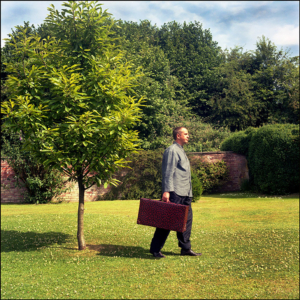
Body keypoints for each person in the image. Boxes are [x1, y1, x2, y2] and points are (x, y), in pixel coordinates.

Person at [150, 127, 202, 258]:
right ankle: (155, 249)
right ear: (178, 136)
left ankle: (185, 248)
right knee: (167, 221)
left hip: (186, 193)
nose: (188, 136)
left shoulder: (181, 151)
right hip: (175, 192)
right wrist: (166, 191)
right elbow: (168, 172)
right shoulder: (172, 150)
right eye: (185, 134)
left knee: (186, 222)